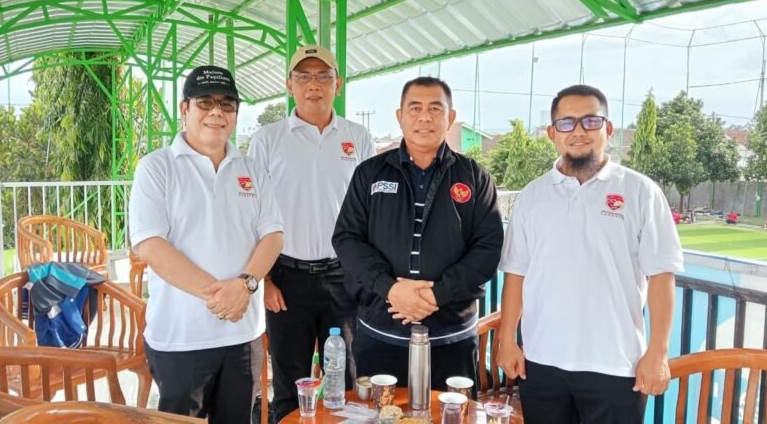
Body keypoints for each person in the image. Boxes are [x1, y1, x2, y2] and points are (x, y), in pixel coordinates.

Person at [497, 84, 682, 424]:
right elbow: (516, 273)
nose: (579, 131)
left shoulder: (641, 191)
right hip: (541, 360)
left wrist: (658, 352)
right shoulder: (532, 196)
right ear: (552, 133)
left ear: (608, 129)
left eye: (591, 121)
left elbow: (661, 275)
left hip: (617, 365)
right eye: (566, 123)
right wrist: (507, 339)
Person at [129, 65, 284, 424]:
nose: (217, 112)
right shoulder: (156, 168)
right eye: (205, 102)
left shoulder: (252, 169)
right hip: (180, 338)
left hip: (243, 335)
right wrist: (222, 297)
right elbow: (150, 245)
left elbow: (273, 235)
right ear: (184, 109)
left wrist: (245, 285)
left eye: (227, 104)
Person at [333, 76, 503, 394]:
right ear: (400, 116)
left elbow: (488, 249)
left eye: (435, 108)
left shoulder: (475, 177)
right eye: (415, 108)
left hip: (451, 337)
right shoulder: (369, 173)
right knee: (379, 413)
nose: (424, 117)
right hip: (381, 332)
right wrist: (390, 289)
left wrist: (438, 294)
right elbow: (346, 238)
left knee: (451, 413)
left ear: (450, 117)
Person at [248, 45, 375, 422]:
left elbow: (372, 212)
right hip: (286, 278)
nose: (313, 84)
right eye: (303, 76)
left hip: (344, 277)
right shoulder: (267, 139)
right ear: (289, 85)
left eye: (323, 76)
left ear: (339, 84)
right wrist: (264, 279)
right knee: (290, 385)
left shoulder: (358, 137)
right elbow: (251, 213)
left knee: (347, 382)